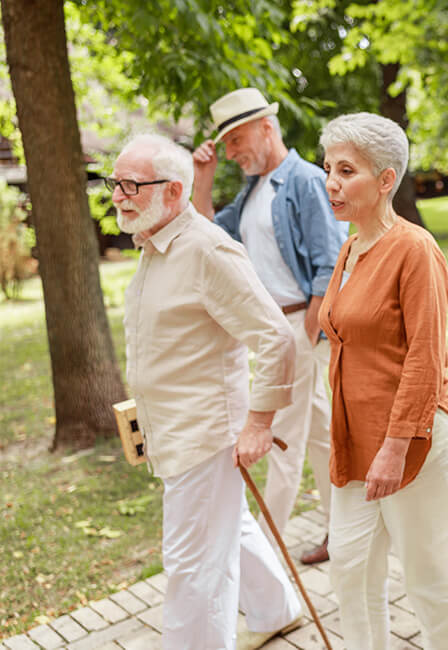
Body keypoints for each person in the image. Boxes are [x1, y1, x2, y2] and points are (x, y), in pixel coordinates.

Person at [115, 134, 303, 649]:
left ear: (174, 191)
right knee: (229, 528)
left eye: (131, 184)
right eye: (115, 183)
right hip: (174, 428)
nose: (117, 194)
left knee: (193, 564)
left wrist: (260, 422)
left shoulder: (208, 250)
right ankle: (276, 612)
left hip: (205, 436)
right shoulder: (155, 244)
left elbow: (275, 337)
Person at [316, 112, 448, 649]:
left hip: (411, 442)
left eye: (347, 170)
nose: (332, 182)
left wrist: (395, 446)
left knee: (429, 581)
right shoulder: (349, 249)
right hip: (353, 441)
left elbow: (427, 357)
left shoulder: (415, 249)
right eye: (328, 167)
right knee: (351, 571)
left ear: (386, 180)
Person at [191, 88, 346, 565]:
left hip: (297, 328)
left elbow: (329, 260)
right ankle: (341, 535)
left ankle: (261, 561)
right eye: (227, 145)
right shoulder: (254, 189)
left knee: (279, 442)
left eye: (236, 141)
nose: (232, 152)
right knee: (320, 438)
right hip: (275, 330)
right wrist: (203, 179)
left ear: (266, 127)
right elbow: (208, 234)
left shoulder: (302, 180)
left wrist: (306, 334)